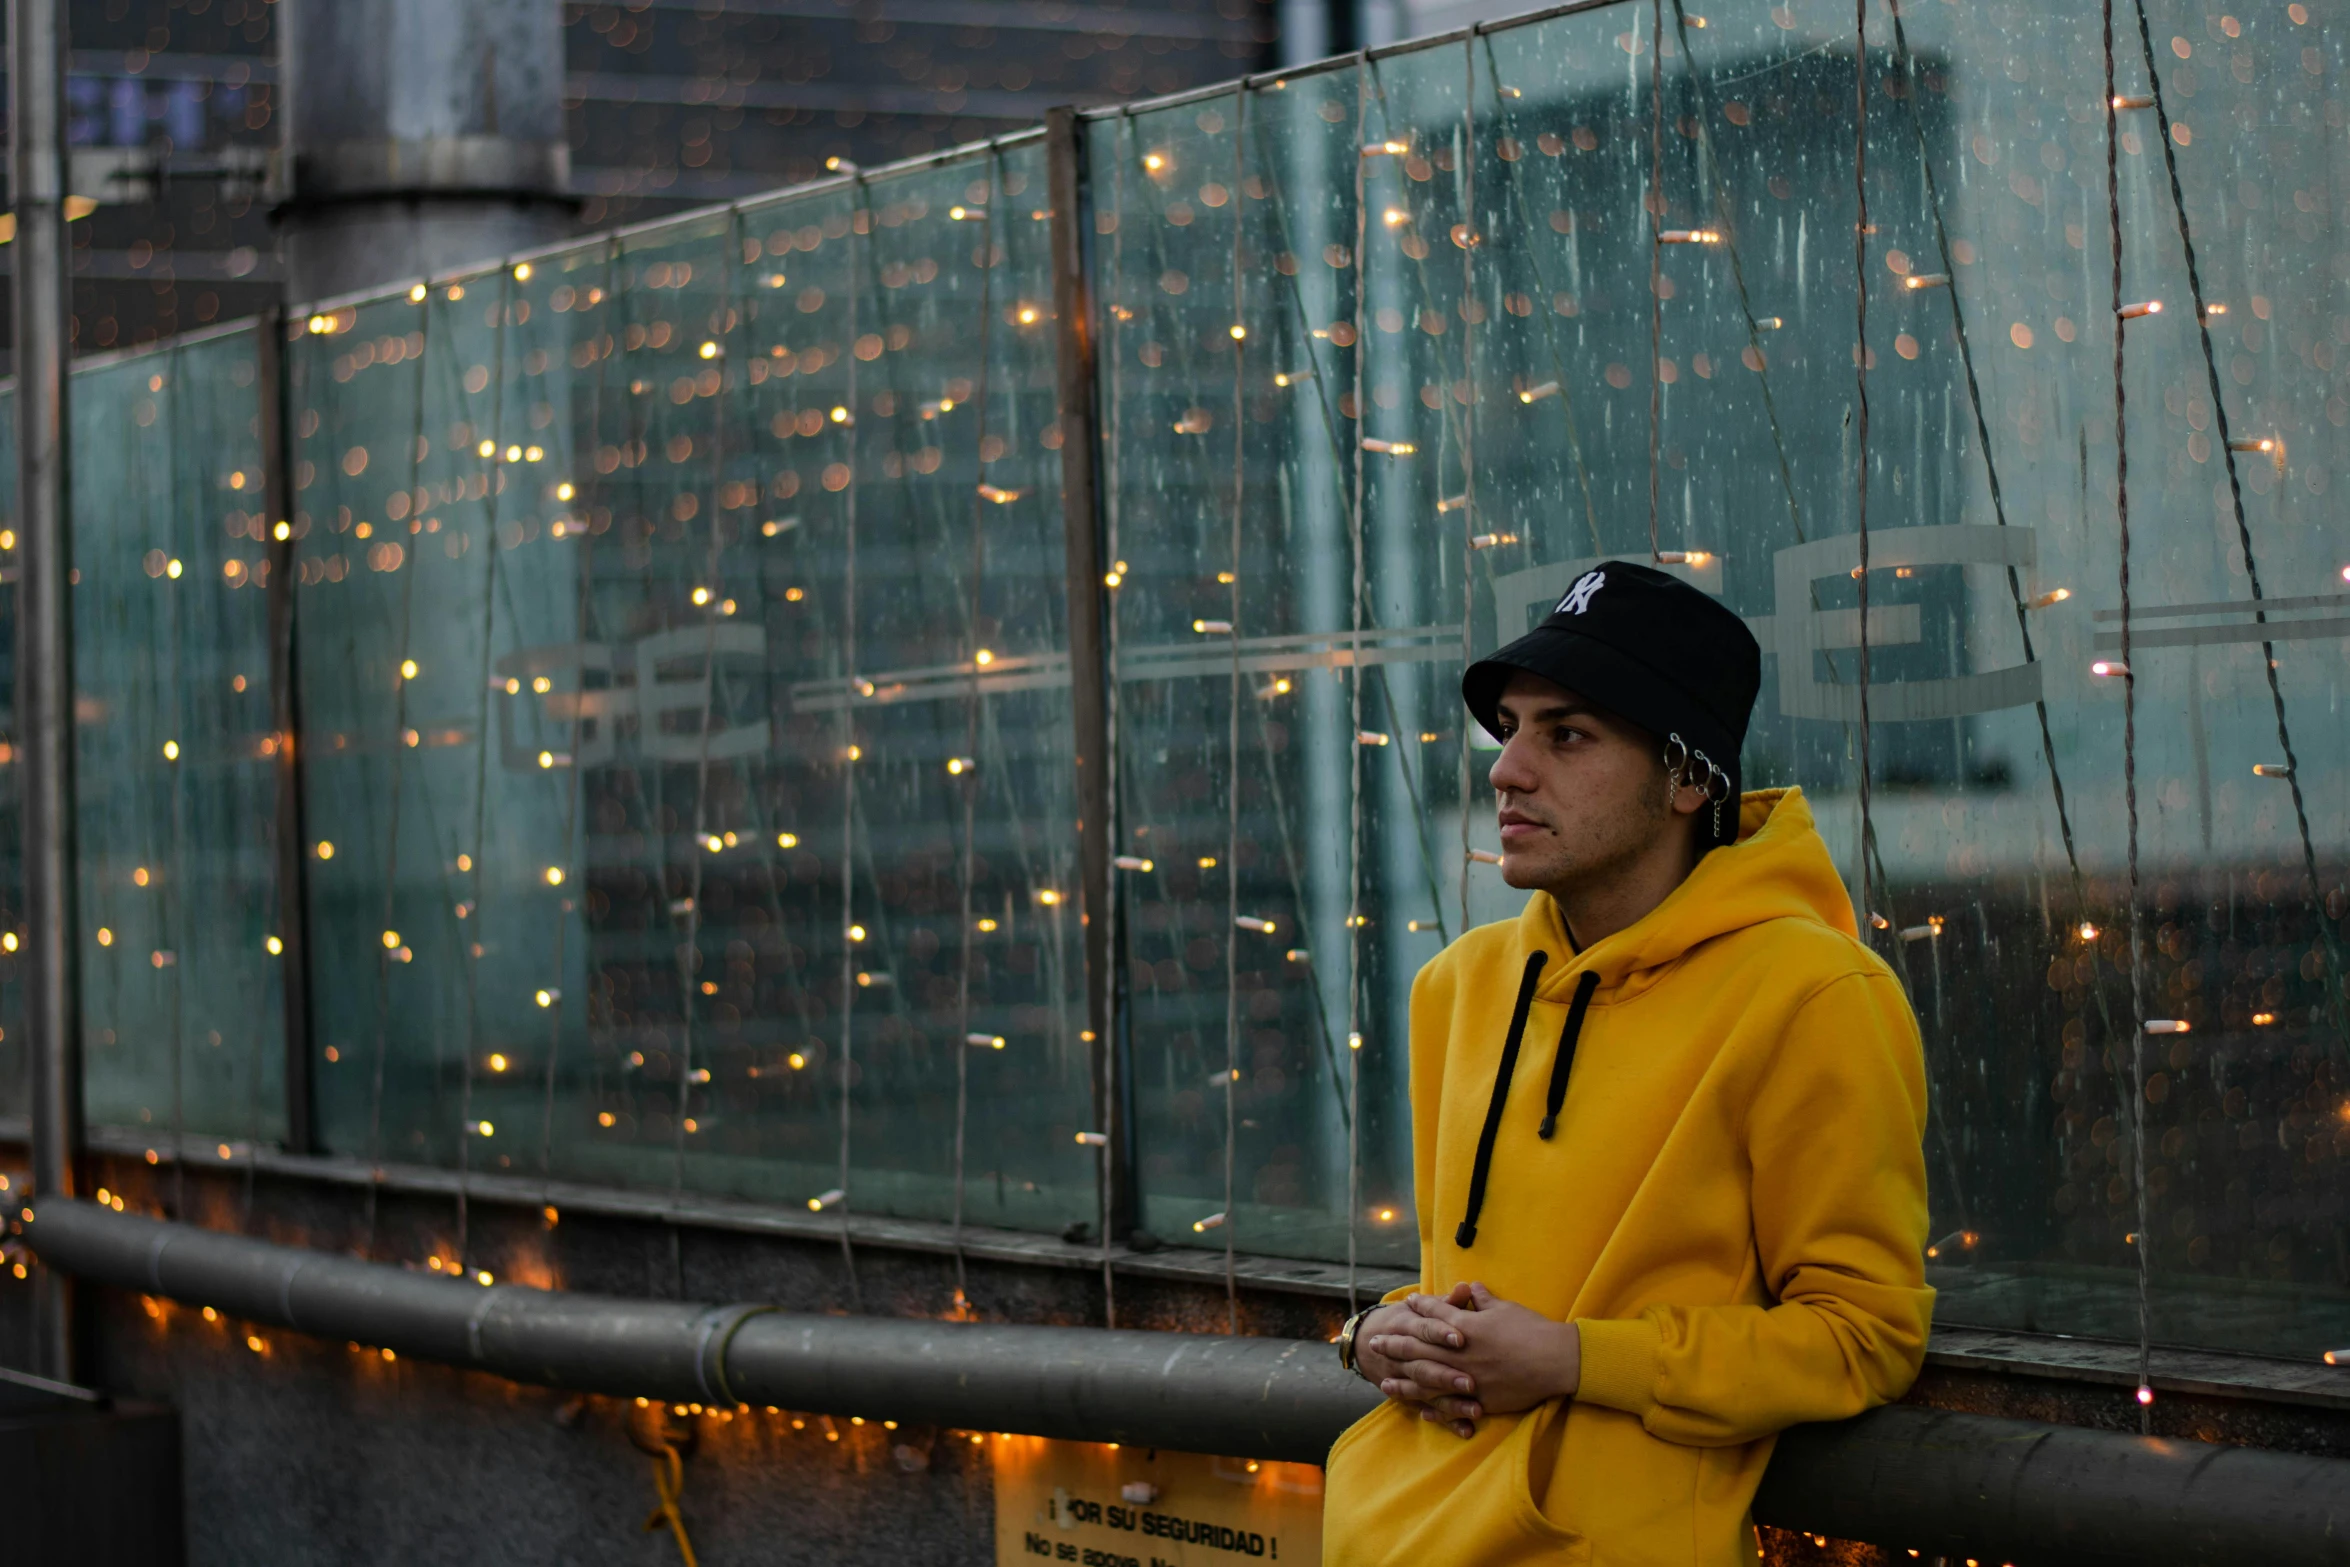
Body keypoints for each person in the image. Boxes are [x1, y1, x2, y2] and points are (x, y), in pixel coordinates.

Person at [1321, 561, 1933, 1567]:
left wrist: (1573, 1360)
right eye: (1510, 727)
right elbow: (1480, 1285)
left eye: (1566, 734)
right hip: (1387, 1536)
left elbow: (1862, 1334)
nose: (1507, 770)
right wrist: (1377, 1334)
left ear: (1689, 776)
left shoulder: (1812, 993)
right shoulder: (1458, 986)